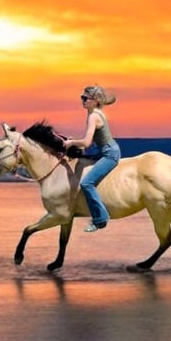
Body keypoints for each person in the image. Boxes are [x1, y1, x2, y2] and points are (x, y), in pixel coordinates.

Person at [62, 85, 121, 232]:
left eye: (85, 98)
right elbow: (87, 142)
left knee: (87, 183)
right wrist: (75, 141)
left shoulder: (94, 116)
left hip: (109, 154)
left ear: (95, 101)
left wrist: (71, 142)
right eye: (81, 97)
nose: (82, 100)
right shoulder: (94, 114)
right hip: (105, 151)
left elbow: (86, 143)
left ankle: (100, 218)